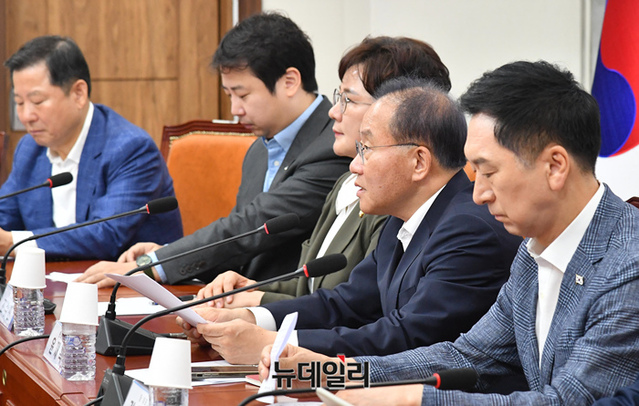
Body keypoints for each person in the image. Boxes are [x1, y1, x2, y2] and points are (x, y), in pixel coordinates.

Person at [262, 61, 639, 405]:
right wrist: (331, 372)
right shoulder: (532, 251)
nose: (478, 194)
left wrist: (411, 399)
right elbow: (468, 355)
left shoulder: (628, 263)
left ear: (555, 166)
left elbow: (569, 401)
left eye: (489, 172)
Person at [178, 78, 521, 365]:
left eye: (366, 149)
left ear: (419, 162)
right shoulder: (403, 217)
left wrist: (274, 344)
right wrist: (250, 319)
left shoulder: (469, 229)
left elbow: (410, 337)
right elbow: (346, 304)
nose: (354, 165)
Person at [76, 13, 351, 287]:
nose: (234, 110)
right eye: (229, 95)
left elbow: (250, 227)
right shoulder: (259, 150)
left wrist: (153, 265)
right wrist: (166, 254)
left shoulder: (334, 147)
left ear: (289, 81)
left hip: (288, 305)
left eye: (242, 95)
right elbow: (237, 247)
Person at [198, 35, 453, 308]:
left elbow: (356, 307)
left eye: (349, 100)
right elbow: (306, 285)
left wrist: (259, 304)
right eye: (338, 97)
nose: (334, 112)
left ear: (398, 112)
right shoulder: (345, 183)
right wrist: (250, 289)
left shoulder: (394, 198)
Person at [1, 35, 182, 260]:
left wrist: (13, 243)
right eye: (19, 103)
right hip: (52, 279)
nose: (26, 116)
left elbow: (105, 234)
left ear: (78, 93)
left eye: (37, 101)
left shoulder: (131, 150)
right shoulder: (30, 149)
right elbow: (5, 216)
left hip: (125, 280)